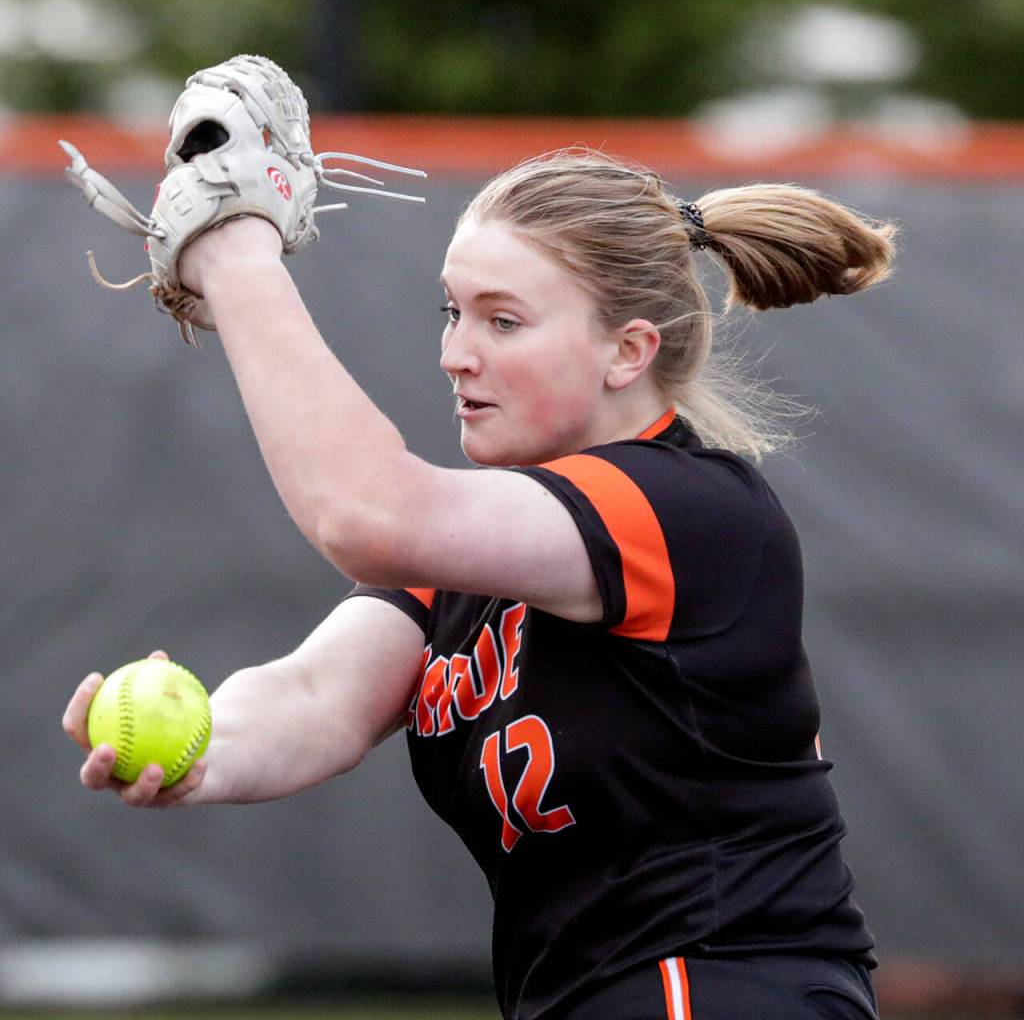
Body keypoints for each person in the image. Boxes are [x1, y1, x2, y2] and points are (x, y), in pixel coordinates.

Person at [64, 148, 895, 1020]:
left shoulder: (689, 509)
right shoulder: (481, 561)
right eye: (453, 312)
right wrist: (203, 754)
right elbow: (319, 694)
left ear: (627, 352)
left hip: (718, 989)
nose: (457, 354)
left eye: (503, 321)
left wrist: (236, 260)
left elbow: (367, 517)